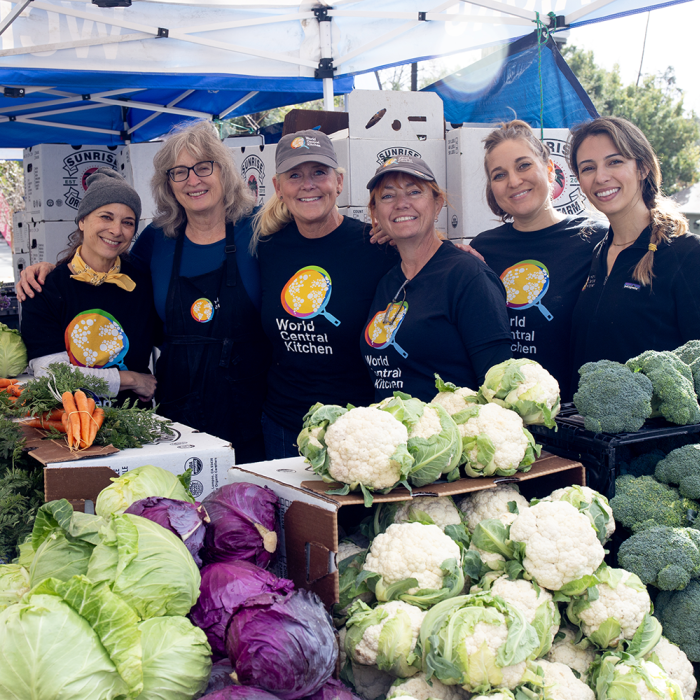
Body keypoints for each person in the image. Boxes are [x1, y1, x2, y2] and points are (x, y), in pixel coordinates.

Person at [18, 121, 270, 464]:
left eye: (203, 167)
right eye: (179, 172)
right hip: (176, 405)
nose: (192, 180)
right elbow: (103, 271)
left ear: (224, 171)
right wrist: (48, 270)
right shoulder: (158, 239)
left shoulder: (260, 227)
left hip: (249, 401)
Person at [254, 129, 398, 458]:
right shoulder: (266, 247)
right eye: (295, 175)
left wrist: (457, 252)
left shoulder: (375, 245)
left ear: (339, 182)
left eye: (319, 172)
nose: (308, 184)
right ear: (278, 187)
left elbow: (426, 256)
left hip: (356, 428)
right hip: (283, 425)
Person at [470, 120, 607, 401]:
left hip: (573, 421)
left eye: (523, 165)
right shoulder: (482, 249)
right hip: (502, 415)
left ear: (548, 169)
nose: (514, 181)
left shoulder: (596, 239)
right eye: (499, 175)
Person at [361, 155, 512, 402]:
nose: (401, 203)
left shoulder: (468, 276)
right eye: (387, 196)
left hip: (450, 437)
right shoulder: (388, 282)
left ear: (437, 203)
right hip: (394, 437)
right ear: (375, 212)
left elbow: (499, 388)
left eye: (414, 192)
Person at [568, 116, 700, 375]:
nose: (601, 177)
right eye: (588, 168)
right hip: (581, 416)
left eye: (614, 162)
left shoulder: (687, 254)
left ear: (643, 168)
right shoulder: (597, 252)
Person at [21, 168, 157, 403]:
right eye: (106, 217)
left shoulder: (144, 283)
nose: (116, 230)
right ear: (82, 221)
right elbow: (53, 376)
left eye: (128, 222)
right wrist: (132, 379)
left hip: (136, 426)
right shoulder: (45, 288)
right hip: (67, 426)